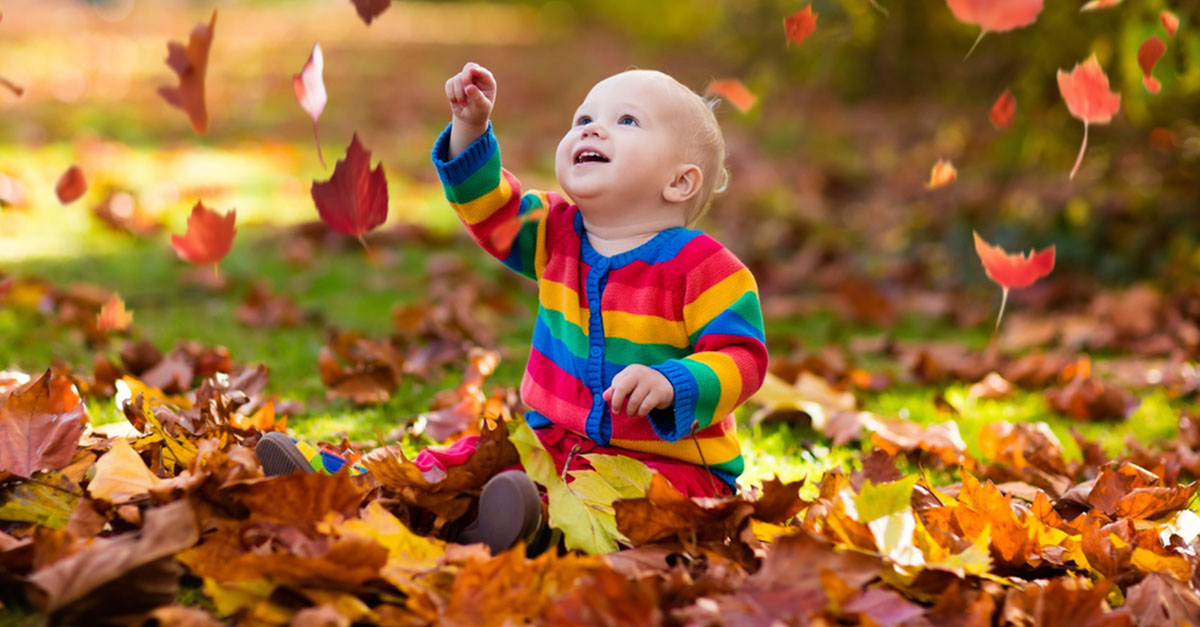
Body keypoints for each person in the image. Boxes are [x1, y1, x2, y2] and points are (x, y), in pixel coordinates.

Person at [257, 62, 768, 556]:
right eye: (583, 120)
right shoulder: (556, 230)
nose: (592, 131)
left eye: (626, 120)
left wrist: (675, 382)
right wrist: (470, 126)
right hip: (553, 441)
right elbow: (491, 208)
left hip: (668, 464)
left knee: (631, 508)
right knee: (468, 462)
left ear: (680, 182)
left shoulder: (705, 268)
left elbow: (742, 357)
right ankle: (354, 487)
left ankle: (528, 530)